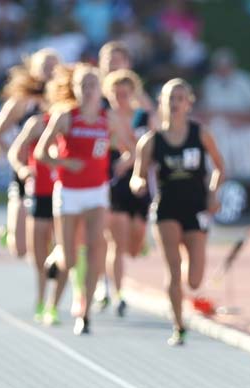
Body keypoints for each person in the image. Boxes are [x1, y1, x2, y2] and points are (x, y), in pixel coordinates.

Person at [34, 63, 133, 335]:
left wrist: (123, 163)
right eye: (84, 86)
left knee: (95, 248)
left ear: (101, 89)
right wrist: (65, 162)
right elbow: (41, 153)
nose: (90, 91)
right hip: (68, 192)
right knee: (70, 258)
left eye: (94, 85)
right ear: (76, 90)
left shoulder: (108, 118)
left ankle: (85, 312)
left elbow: (131, 149)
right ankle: (57, 257)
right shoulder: (66, 117)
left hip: (96, 192)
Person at [131, 78, 225, 345]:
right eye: (170, 98)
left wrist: (213, 193)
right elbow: (137, 175)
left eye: (180, 98)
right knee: (173, 271)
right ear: (161, 103)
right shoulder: (151, 140)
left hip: (195, 207)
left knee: (194, 280)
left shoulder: (200, 133)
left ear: (188, 103)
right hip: (166, 208)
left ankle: (186, 285)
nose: (174, 103)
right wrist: (138, 185)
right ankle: (178, 325)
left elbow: (220, 167)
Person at [0, 48, 60, 259]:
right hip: (27, 173)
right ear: (34, 70)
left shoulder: (65, 102)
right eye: (45, 66)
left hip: (56, 172)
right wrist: (15, 158)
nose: (50, 71)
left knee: (53, 238)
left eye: (54, 66)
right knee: (19, 249)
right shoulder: (22, 102)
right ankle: (10, 233)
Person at [100, 69, 154, 317]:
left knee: (135, 243)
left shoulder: (143, 117)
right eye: (115, 93)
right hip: (115, 182)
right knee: (117, 242)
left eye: (125, 93)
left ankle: (138, 245)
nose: (120, 98)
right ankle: (118, 293)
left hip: (139, 182)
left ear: (133, 94)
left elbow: (153, 146)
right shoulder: (106, 117)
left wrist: (134, 156)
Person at [7, 110, 56, 323]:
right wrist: (22, 169)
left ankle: (57, 302)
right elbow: (14, 153)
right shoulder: (37, 123)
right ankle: (41, 298)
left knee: (65, 250)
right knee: (39, 254)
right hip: (40, 193)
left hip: (66, 193)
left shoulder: (76, 122)